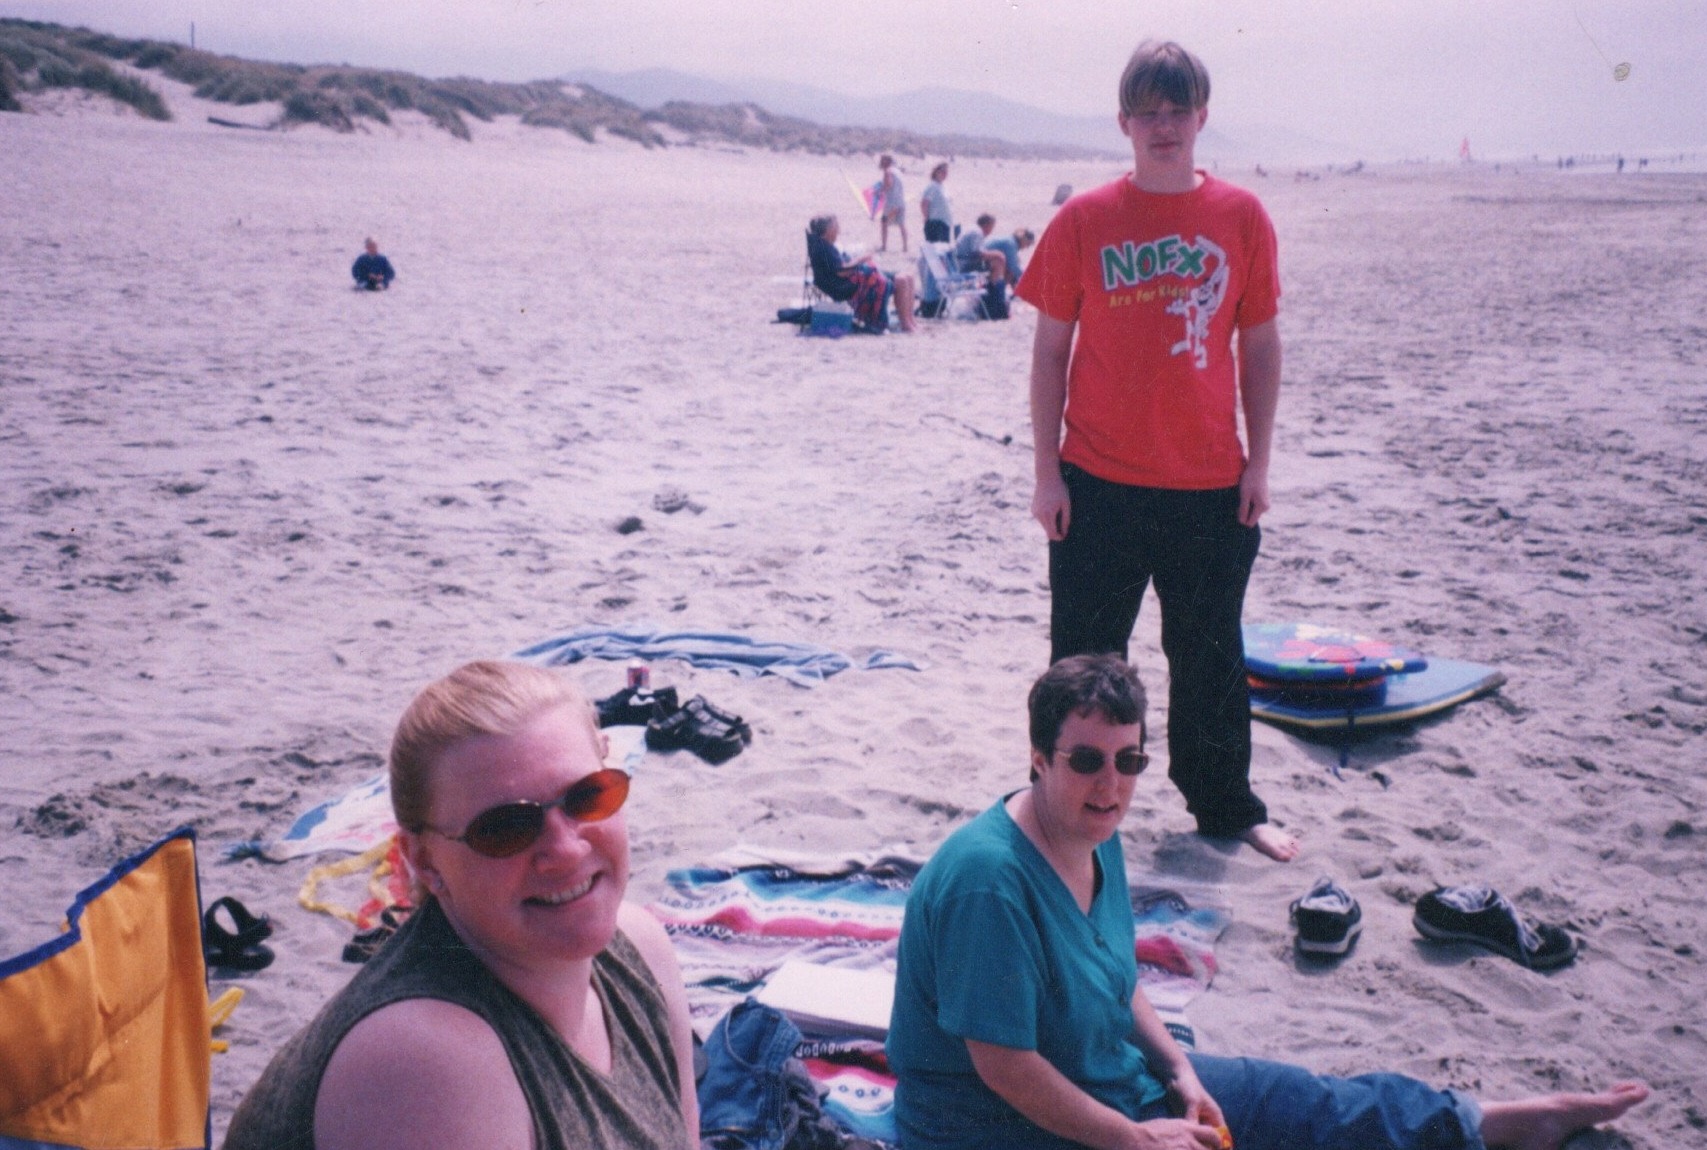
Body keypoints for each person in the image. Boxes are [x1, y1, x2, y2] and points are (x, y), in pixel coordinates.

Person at [886, 654, 1652, 1150]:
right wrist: (1130, 1138)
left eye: (1129, 761)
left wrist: (1180, 1072)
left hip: (1104, 1078)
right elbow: (1004, 1067)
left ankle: (1489, 1124)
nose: (1110, 783)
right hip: (991, 1126)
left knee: (1306, 1103)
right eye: (1085, 761)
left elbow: (1117, 984)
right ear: (1035, 756)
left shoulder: (1093, 832)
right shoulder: (988, 883)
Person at [223, 661, 700, 1150]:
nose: (568, 849)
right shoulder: (426, 1065)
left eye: (586, 796)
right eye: (505, 828)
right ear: (425, 862)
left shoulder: (642, 951)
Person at [1016, 40, 1294, 861]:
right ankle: (1058, 807)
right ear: (1124, 122)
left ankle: (1225, 807)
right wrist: (1045, 475)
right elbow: (1048, 352)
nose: (1163, 125)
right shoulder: (1084, 220)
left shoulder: (1241, 217)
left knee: (1208, 655)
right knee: (1082, 662)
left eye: (1178, 110)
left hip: (1210, 482)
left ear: (1201, 118)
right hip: (1096, 482)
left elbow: (1261, 343)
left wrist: (1259, 463)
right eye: (1149, 111)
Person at [806, 214, 918, 334]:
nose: (838, 230)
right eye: (836, 227)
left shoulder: (826, 245)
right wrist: (861, 260)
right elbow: (841, 272)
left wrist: (858, 260)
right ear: (827, 230)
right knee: (901, 280)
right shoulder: (824, 248)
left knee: (908, 277)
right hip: (843, 285)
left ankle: (911, 322)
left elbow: (841, 267)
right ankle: (906, 325)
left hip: (849, 277)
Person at [878, 154, 909, 253]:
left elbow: (889, 185)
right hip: (901, 201)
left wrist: (880, 191)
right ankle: (905, 247)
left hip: (892, 202)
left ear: (886, 161)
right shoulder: (898, 171)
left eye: (882, 160)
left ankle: (884, 246)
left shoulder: (888, 171)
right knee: (902, 224)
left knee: (884, 222)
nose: (881, 162)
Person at [920, 163, 954, 244]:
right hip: (936, 223)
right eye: (942, 171)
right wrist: (927, 218)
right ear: (936, 172)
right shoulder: (932, 186)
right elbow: (924, 203)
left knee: (943, 250)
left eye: (946, 172)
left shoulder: (942, 187)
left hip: (945, 223)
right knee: (936, 250)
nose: (945, 174)